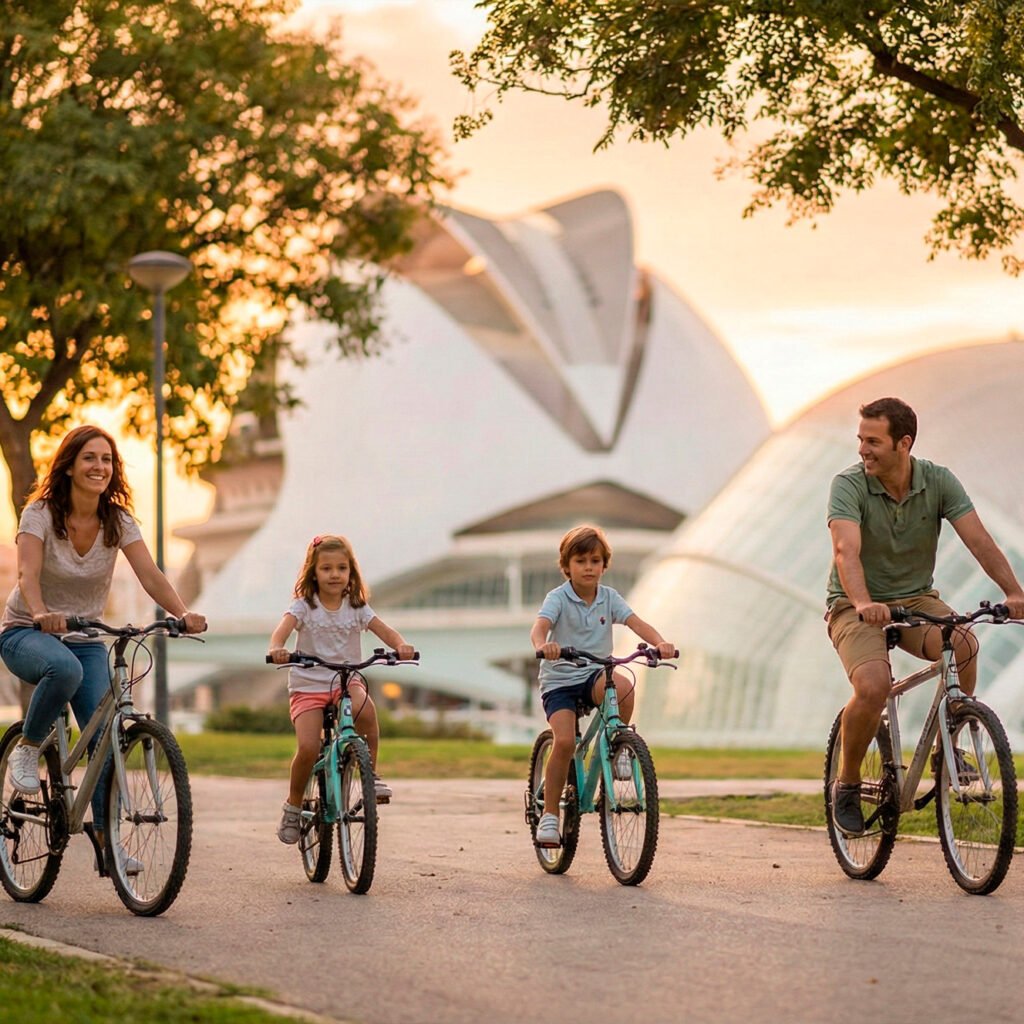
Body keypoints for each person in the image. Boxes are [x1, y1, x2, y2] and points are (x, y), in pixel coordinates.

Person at [0, 424, 206, 871]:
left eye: (107, 460)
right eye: (90, 458)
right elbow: (27, 576)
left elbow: (150, 574)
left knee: (105, 735)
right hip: (25, 631)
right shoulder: (39, 513)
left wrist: (181, 612)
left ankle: (106, 839)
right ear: (70, 466)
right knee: (65, 670)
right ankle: (28, 746)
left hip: (86, 635)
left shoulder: (118, 520)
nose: (99, 467)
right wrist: (40, 613)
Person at [826, 397, 1024, 836]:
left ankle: (947, 747)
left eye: (873, 441)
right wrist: (862, 603)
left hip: (916, 599)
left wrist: (1013, 591)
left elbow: (979, 540)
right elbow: (846, 551)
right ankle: (848, 782)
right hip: (854, 604)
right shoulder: (849, 485)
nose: (863, 449)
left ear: (904, 443)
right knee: (874, 686)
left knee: (966, 644)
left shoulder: (938, 481)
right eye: (860, 439)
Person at [530, 524, 675, 848]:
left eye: (595, 561)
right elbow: (540, 627)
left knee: (622, 685)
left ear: (604, 565)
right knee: (565, 742)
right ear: (567, 566)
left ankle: (618, 747)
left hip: (595, 674)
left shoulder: (609, 598)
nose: (589, 567)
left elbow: (637, 623)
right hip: (561, 680)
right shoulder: (558, 597)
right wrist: (544, 645)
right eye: (581, 561)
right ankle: (551, 816)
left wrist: (660, 642)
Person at [267, 533, 414, 844]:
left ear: (351, 573)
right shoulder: (304, 606)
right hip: (309, 684)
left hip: (347, 680)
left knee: (367, 712)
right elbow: (281, 631)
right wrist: (278, 647)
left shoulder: (357, 607)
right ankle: (293, 806)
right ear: (313, 573)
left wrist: (400, 645)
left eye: (342, 568)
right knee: (307, 747)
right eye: (326, 568)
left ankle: (371, 775)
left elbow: (384, 630)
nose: (335, 575)